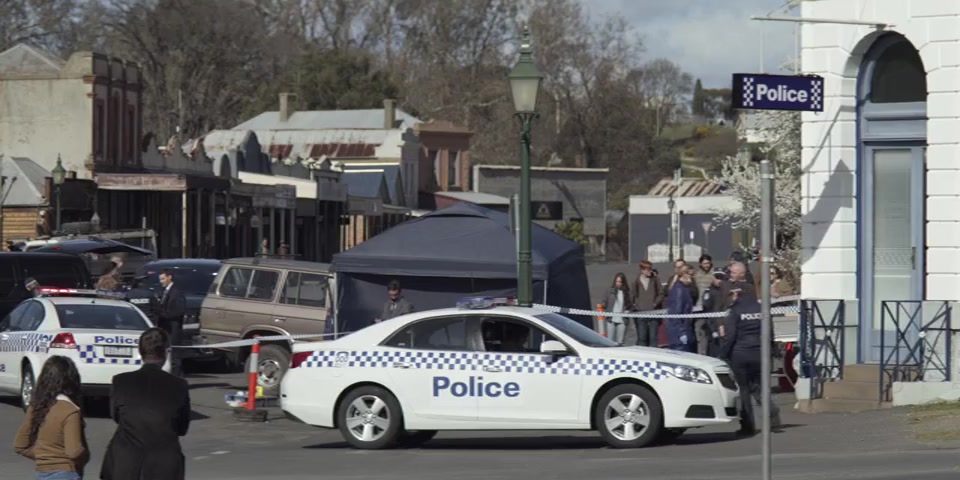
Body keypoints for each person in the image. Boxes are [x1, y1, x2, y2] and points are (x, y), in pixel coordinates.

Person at [100, 328, 191, 480]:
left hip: (125, 461)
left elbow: (116, 416)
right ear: (166, 352)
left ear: (140, 351)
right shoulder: (179, 385)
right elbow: (182, 427)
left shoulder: (121, 381)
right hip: (164, 463)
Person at [717, 287, 781, 436]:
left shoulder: (735, 311)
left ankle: (748, 425)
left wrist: (723, 353)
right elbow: (770, 331)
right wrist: (772, 349)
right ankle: (773, 418)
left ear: (738, 296)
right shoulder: (761, 309)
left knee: (744, 390)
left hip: (741, 354)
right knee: (760, 388)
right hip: (761, 353)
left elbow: (730, 336)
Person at [14, 356, 89, 480]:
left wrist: (44, 457)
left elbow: (20, 445)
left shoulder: (36, 407)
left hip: (42, 473)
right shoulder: (70, 410)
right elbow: (74, 451)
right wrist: (84, 456)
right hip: (66, 472)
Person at [156, 269, 186, 377]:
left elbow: (179, 311)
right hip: (164, 329)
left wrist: (163, 314)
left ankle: (176, 378)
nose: (161, 281)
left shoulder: (177, 292)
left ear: (170, 277)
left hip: (173, 329)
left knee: (175, 357)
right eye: (160, 279)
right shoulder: (163, 292)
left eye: (163, 279)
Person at [631, 260, 663, 347]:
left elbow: (661, 293)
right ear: (642, 270)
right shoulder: (636, 281)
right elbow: (633, 295)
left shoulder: (655, 279)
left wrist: (655, 303)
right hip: (641, 313)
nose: (650, 271)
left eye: (650, 269)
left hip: (654, 313)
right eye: (648, 269)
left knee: (653, 338)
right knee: (642, 337)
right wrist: (636, 306)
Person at [701, 270, 733, 357]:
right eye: (717, 278)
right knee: (713, 350)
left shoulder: (726, 292)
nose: (719, 280)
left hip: (724, 324)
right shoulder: (709, 292)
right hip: (712, 325)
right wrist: (713, 328)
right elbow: (707, 309)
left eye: (721, 278)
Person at [665, 263, 695, 352]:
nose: (693, 277)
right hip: (678, 334)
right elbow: (676, 313)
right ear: (684, 274)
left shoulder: (684, 288)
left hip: (682, 330)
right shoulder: (679, 290)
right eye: (691, 275)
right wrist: (682, 333)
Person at [602, 273, 633, 344]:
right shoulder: (610, 291)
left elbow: (631, 305)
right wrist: (602, 307)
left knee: (620, 342)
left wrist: (628, 311)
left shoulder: (628, 292)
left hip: (622, 320)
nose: (618, 283)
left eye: (620, 282)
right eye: (617, 281)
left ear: (623, 282)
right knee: (609, 341)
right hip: (611, 319)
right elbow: (604, 302)